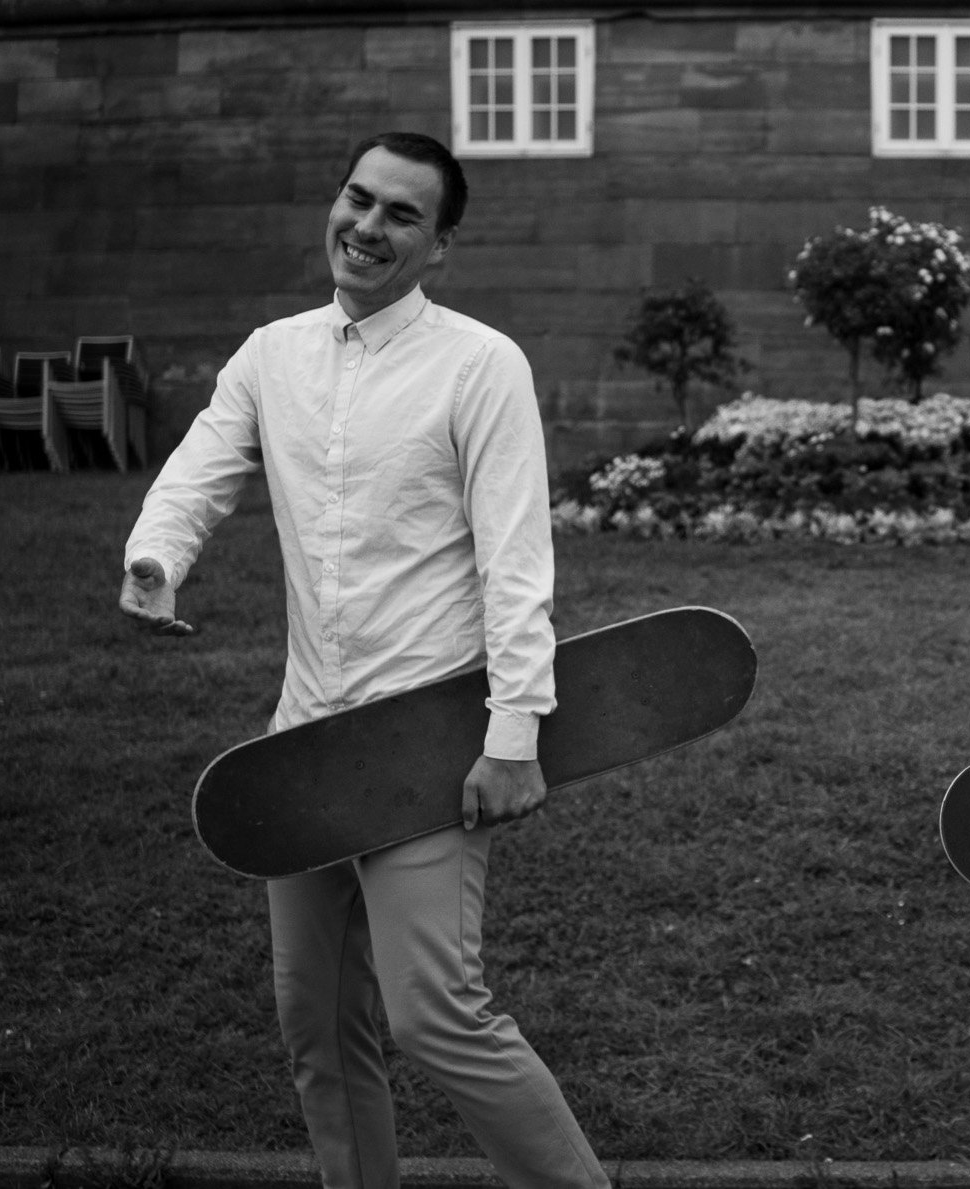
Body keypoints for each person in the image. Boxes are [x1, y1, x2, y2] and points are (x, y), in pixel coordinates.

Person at [118, 132, 610, 1189]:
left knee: (436, 1018)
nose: (367, 227)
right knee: (317, 1030)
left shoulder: (480, 365)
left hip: (426, 745)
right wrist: (157, 556)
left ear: (440, 247)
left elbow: (518, 561)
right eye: (358, 199)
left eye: (401, 215)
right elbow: (201, 466)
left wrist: (515, 733)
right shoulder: (271, 354)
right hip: (302, 745)